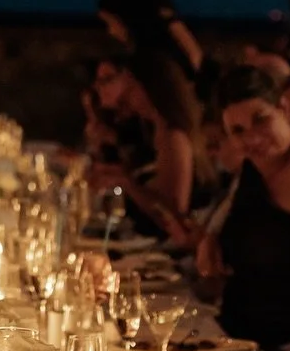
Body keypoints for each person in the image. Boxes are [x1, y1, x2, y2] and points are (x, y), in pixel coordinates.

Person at [199, 67, 290, 351]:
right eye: (238, 131)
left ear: (284, 110)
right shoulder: (251, 171)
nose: (252, 138)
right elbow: (226, 220)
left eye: (261, 120)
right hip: (233, 340)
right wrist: (211, 238)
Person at [90, 50, 211, 244]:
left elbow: (174, 213)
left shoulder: (174, 136)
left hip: (165, 252)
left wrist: (127, 183)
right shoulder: (153, 130)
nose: (126, 95)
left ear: (151, 89)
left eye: (132, 87)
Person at [97, 0, 215, 94]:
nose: (110, 31)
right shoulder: (176, 55)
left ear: (125, 20)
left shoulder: (152, 67)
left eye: (110, 23)